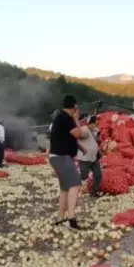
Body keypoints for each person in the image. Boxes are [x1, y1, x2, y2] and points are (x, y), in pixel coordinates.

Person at [49, 95, 83, 229]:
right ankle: (71, 219)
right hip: (61, 157)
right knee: (75, 185)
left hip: (56, 157)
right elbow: (78, 134)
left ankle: (60, 218)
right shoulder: (66, 118)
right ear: (74, 107)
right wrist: (76, 119)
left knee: (65, 188)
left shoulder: (60, 117)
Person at [77, 115, 102, 197]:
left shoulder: (95, 130)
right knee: (84, 175)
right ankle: (72, 187)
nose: (95, 126)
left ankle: (93, 192)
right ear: (90, 123)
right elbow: (78, 136)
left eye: (96, 124)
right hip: (84, 158)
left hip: (93, 158)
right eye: (94, 124)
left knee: (98, 174)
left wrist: (98, 138)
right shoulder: (84, 129)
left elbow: (97, 140)